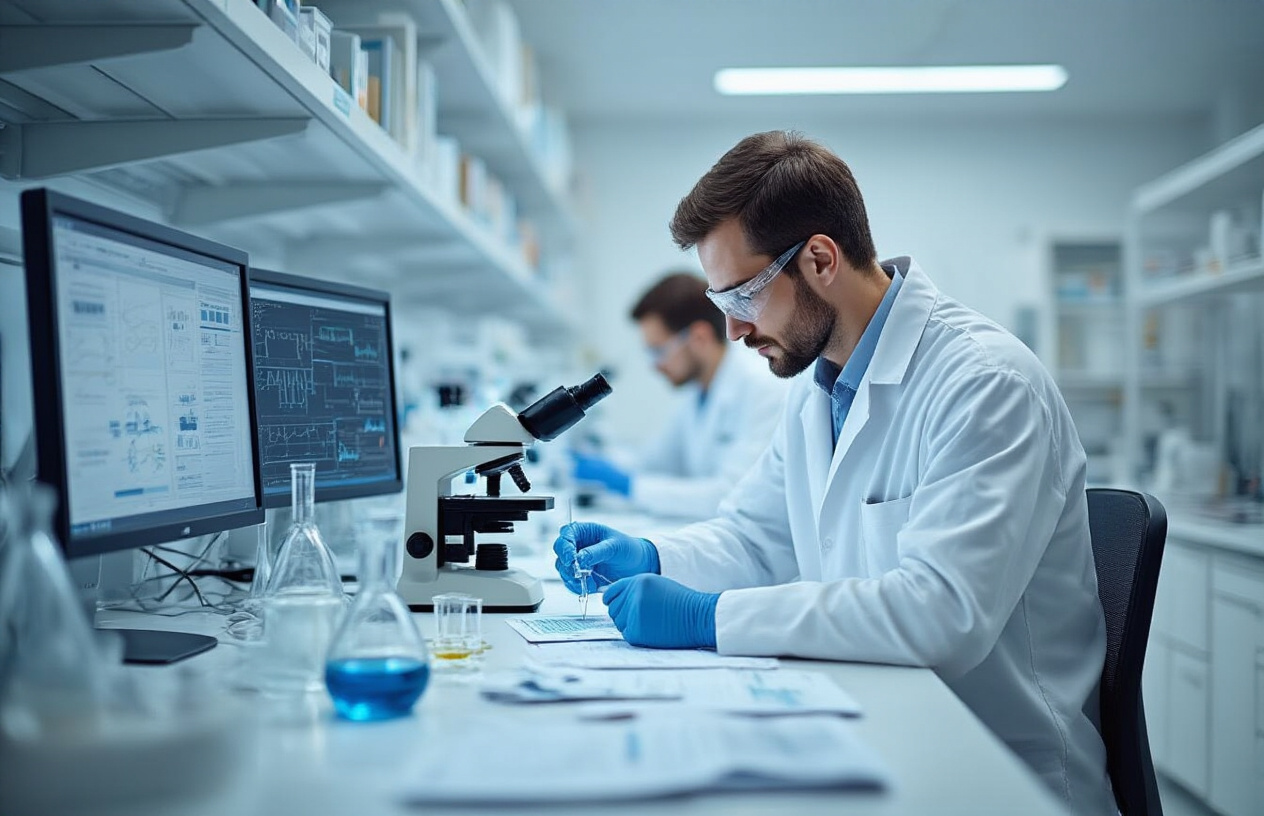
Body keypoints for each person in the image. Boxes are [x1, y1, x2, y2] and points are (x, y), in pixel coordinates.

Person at [554, 131, 1116, 815]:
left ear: (820, 259)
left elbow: (941, 614)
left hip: (997, 770)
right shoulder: (817, 385)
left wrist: (710, 617)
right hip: (871, 725)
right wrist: (654, 554)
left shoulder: (985, 384)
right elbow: (758, 538)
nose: (732, 332)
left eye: (743, 299)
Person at [571, 271, 786, 519]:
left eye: (658, 351)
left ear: (699, 338)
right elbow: (654, 461)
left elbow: (731, 495)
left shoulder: (761, 387)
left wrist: (628, 485)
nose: (654, 365)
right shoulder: (698, 394)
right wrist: (597, 460)